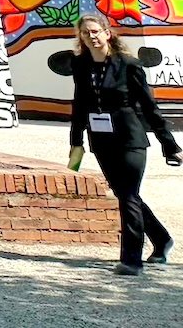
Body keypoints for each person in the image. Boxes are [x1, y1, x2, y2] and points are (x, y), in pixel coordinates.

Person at [69, 14, 180, 275]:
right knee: (125, 195)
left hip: (130, 139)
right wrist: (76, 142)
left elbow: (150, 107)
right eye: (86, 33)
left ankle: (131, 260)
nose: (91, 36)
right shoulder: (82, 66)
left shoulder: (128, 65)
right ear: (81, 38)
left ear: (108, 33)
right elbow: (79, 105)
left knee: (128, 195)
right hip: (102, 140)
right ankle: (162, 240)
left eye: (95, 31)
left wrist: (169, 144)